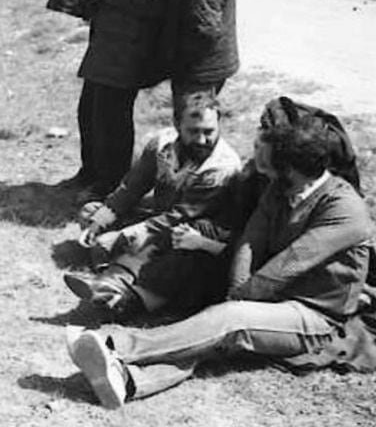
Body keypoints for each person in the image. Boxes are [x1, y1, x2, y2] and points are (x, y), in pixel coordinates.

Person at [65, 115, 376, 409]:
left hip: (314, 314)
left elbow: (287, 267)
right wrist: (239, 288)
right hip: (271, 297)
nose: (264, 171)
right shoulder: (281, 189)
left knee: (230, 320)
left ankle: (114, 345)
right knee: (212, 337)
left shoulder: (344, 210)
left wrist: (237, 299)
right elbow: (250, 242)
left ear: (293, 170)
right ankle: (130, 381)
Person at [65, 93, 241, 317]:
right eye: (193, 131)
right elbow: (133, 187)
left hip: (192, 232)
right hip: (158, 217)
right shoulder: (161, 144)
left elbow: (184, 214)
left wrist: (131, 233)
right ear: (177, 125)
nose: (202, 140)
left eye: (209, 132)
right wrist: (101, 220)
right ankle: (109, 268)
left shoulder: (221, 167)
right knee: (92, 212)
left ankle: (112, 284)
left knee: (167, 250)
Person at [65, 0, 177, 201]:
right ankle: (90, 172)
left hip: (128, 50)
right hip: (107, 44)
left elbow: (153, 3)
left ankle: (111, 183)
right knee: (89, 110)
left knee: (112, 118)